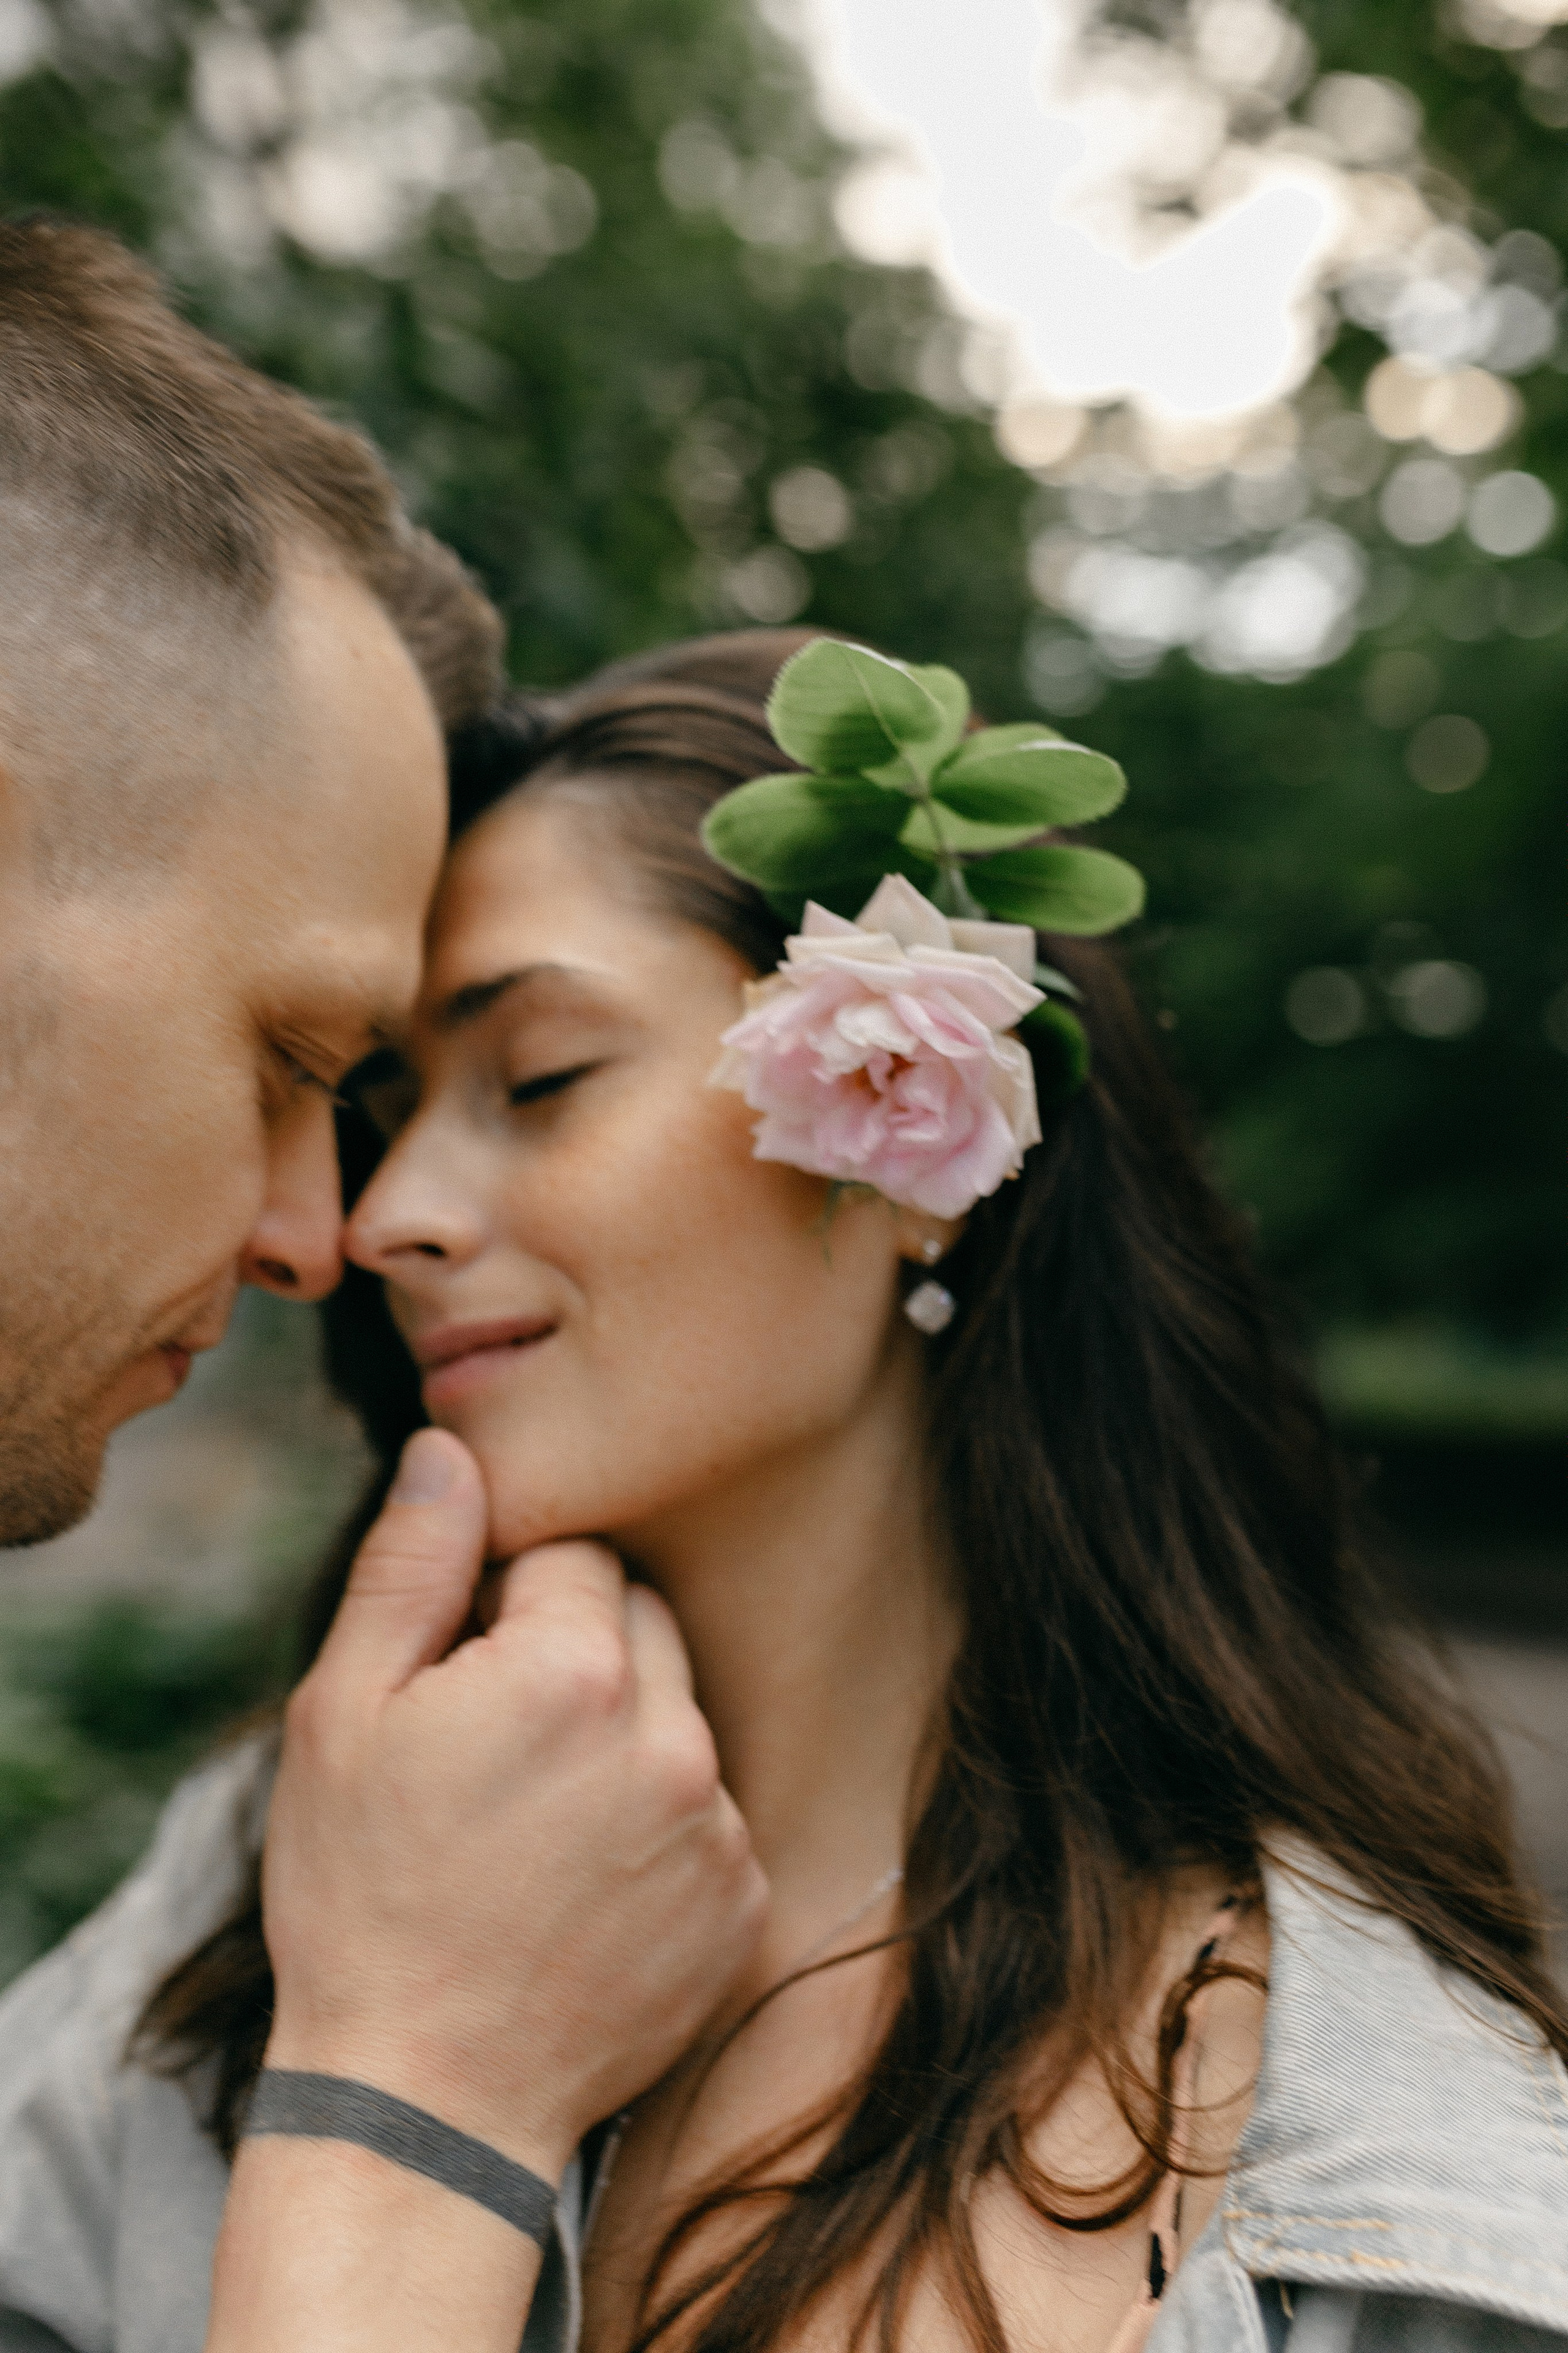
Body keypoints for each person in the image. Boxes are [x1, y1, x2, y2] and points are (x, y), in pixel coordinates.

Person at [4, 625, 1562, 2352]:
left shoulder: (1412, 2209)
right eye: (384, 1112)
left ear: (923, 1129)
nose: (384, 1219)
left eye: (538, 1078)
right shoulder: (282, 1870)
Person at [0, 221, 764, 2351]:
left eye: (540, 1078)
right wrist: (416, 2098)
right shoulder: (228, 1928)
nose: (332, 1232)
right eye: (299, 1059)